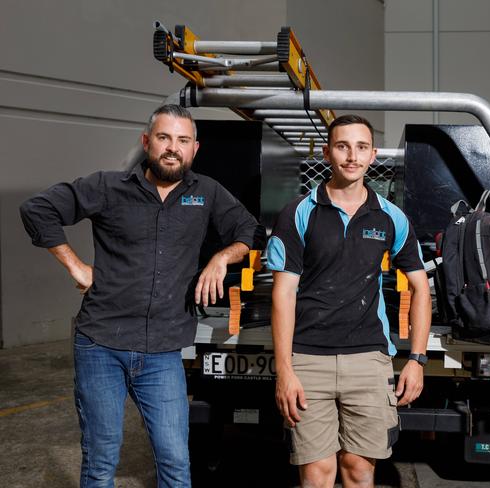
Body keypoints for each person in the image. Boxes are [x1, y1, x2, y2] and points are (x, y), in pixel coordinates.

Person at [20, 104, 262, 487]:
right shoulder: (107, 187)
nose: (172, 148)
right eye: (164, 138)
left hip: (163, 352)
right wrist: (75, 266)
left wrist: (221, 257)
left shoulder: (208, 193)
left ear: (194, 149)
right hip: (102, 343)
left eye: (182, 140)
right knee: (101, 462)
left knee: (175, 462)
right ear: (147, 142)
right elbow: (37, 209)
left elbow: (247, 230)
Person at [267, 114, 432, 488]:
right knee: (316, 474)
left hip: (369, 360)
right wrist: (285, 370)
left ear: (373, 154)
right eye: (342, 146)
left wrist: (417, 360)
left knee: (359, 470)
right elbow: (283, 293)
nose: (351, 156)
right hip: (308, 360)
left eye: (360, 147)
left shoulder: (392, 217)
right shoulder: (298, 213)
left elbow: (421, 288)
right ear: (327, 152)